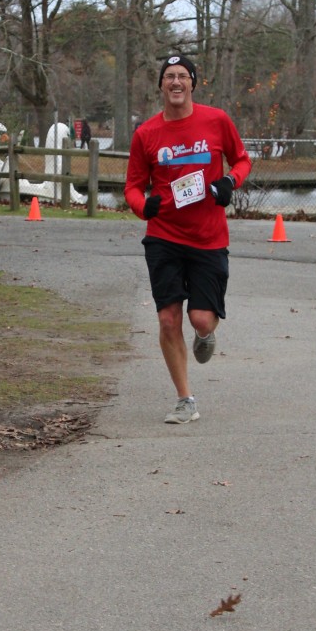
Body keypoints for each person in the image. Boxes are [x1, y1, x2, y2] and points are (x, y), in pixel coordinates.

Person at [124, 53, 251, 424]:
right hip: (164, 236)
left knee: (201, 320)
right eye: (169, 76)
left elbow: (242, 161)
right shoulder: (146, 133)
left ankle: (206, 334)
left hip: (208, 237)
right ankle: (185, 400)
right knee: (168, 319)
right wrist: (144, 206)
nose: (176, 82)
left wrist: (229, 182)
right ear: (161, 85)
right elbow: (132, 187)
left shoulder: (217, 120)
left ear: (193, 83)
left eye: (183, 75)